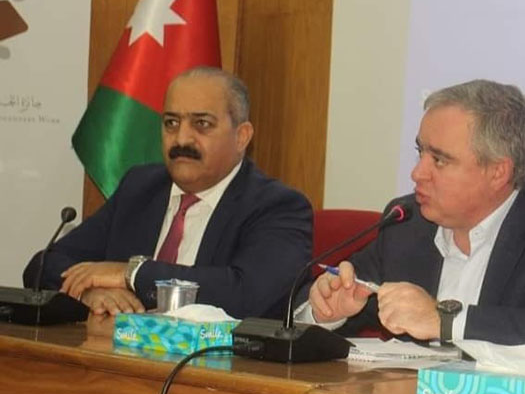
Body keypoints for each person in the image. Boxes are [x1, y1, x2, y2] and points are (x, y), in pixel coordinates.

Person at [302, 79, 525, 368]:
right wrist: (326, 312)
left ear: (498, 172)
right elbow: (322, 306)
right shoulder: (407, 222)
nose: (417, 173)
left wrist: (446, 321)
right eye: (420, 152)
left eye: (439, 160)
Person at [23, 67, 312, 319]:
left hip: (211, 363)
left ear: (241, 136)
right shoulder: (141, 188)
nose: (182, 138)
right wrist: (90, 291)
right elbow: (44, 264)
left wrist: (131, 274)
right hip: (117, 356)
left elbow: (245, 295)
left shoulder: (277, 206)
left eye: (202, 124)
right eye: (171, 123)